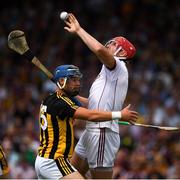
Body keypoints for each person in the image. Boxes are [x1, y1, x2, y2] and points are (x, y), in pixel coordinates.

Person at [63, 13, 137, 179]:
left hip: (103, 131)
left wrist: (79, 30)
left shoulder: (118, 66)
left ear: (121, 52)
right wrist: (68, 95)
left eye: (113, 44)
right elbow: (93, 103)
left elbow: (98, 49)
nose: (109, 45)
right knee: (68, 175)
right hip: (92, 130)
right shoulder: (108, 73)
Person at [34, 64, 138, 179]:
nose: (78, 83)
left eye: (78, 80)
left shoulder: (51, 99)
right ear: (62, 81)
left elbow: (82, 113)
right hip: (54, 161)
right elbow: (91, 115)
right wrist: (119, 115)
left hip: (44, 159)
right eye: (73, 80)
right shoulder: (61, 103)